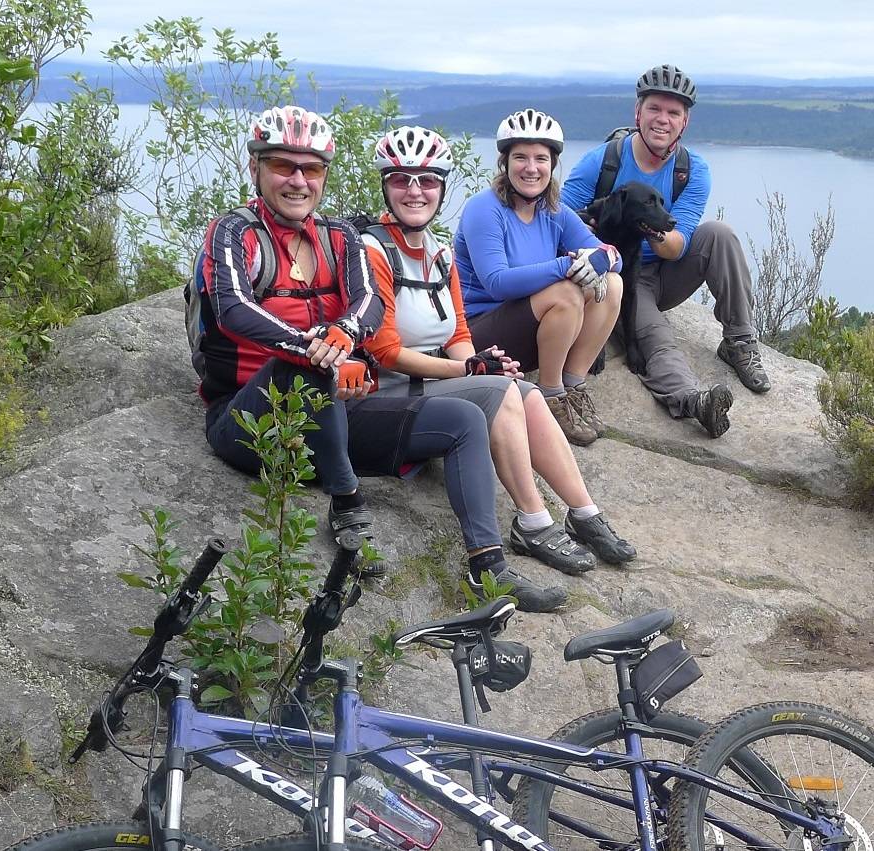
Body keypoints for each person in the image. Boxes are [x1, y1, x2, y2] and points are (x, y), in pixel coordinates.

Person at [191, 106, 564, 612]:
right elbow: (233, 309)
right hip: (250, 419)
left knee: (464, 419)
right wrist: (319, 351)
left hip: (334, 415)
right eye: (283, 166)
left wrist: (342, 337)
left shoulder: (340, 236)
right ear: (255, 168)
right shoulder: (233, 233)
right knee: (304, 365)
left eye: (312, 169)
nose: (299, 180)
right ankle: (346, 502)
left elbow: (367, 305)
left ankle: (489, 569)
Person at [358, 125, 637, 578]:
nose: (414, 191)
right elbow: (388, 349)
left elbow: (457, 329)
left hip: (441, 369)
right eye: (401, 180)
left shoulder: (437, 252)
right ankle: (534, 520)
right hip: (397, 390)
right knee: (546, 328)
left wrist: (478, 364)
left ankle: (584, 511)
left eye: (426, 182)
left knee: (515, 386)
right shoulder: (376, 250)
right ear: (505, 163)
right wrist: (468, 368)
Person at [562, 64, 769, 439]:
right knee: (653, 334)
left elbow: (677, 246)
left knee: (720, 233)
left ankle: (740, 341)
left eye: (674, 113)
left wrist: (642, 222)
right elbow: (555, 218)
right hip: (622, 276)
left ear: (685, 122)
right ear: (637, 113)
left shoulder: (691, 170)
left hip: (669, 269)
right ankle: (692, 400)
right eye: (655, 108)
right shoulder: (603, 162)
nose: (663, 119)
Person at [454, 108, 621, 447]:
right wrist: (566, 267)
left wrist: (604, 259)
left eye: (541, 158)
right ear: (505, 162)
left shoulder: (554, 211)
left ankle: (573, 385)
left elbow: (608, 256)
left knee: (612, 284)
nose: (531, 168)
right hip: (481, 337)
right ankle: (549, 394)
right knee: (567, 292)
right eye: (521, 157)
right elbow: (497, 282)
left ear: (553, 164)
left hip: (529, 331)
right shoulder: (483, 209)